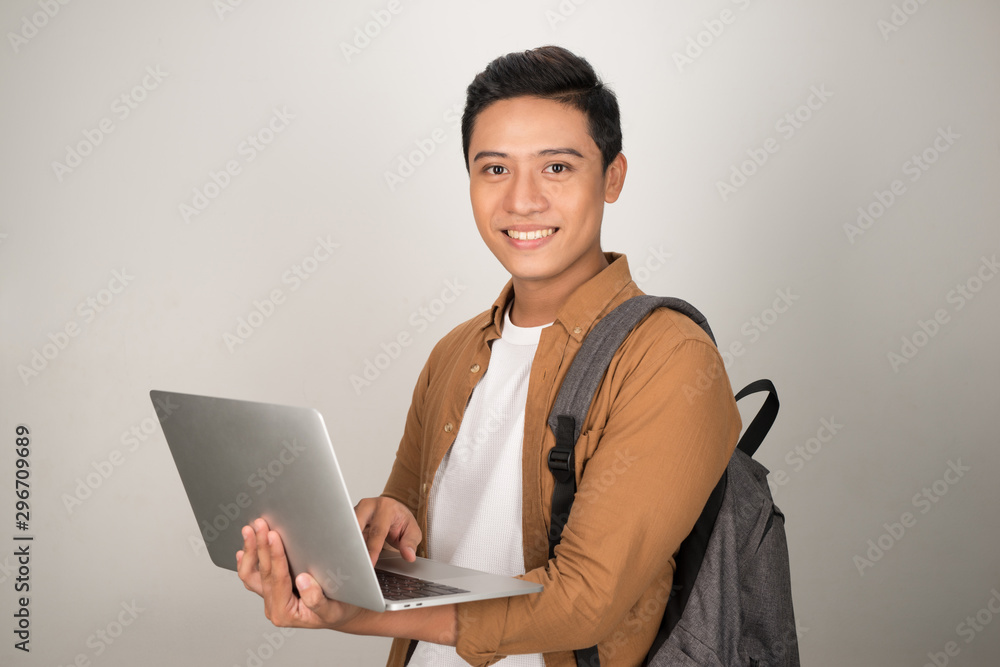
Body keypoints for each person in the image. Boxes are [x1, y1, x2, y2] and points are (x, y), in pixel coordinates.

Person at [237, 45, 741, 667]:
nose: (521, 201)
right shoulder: (454, 353)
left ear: (612, 177)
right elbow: (408, 559)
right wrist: (350, 553)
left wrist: (350, 616)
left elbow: (586, 603)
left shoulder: (669, 359)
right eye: (494, 169)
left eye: (557, 168)